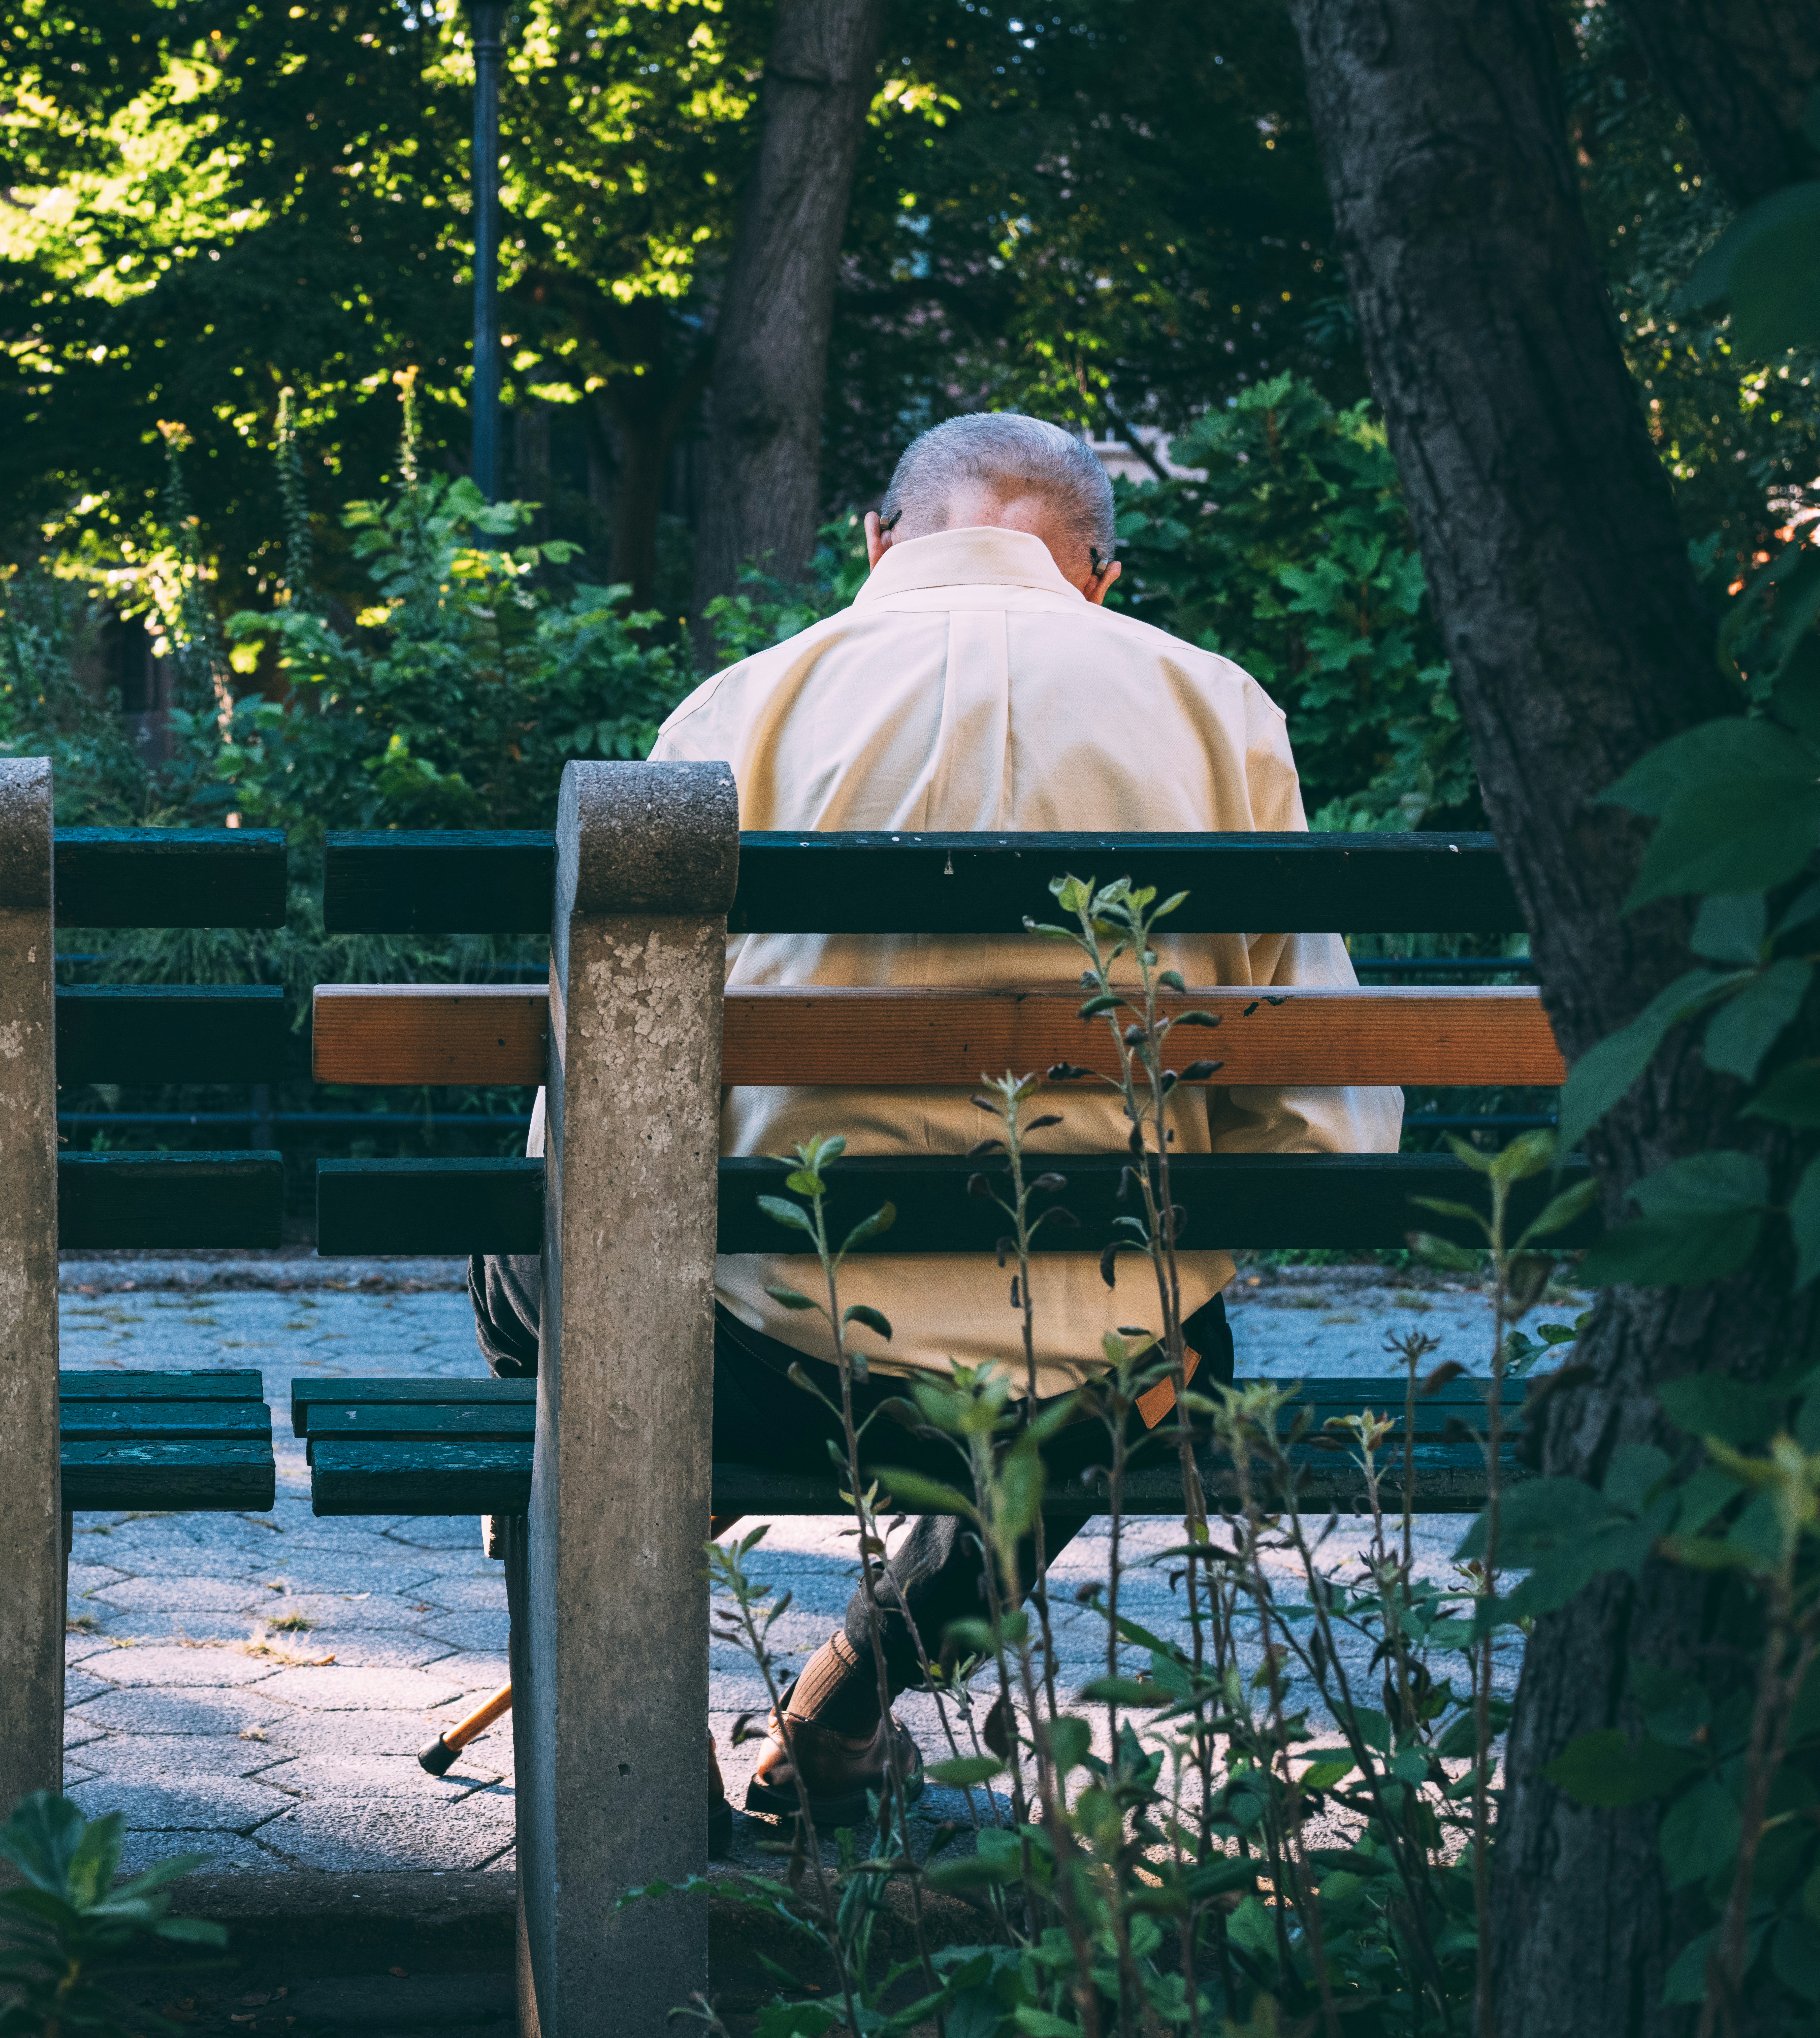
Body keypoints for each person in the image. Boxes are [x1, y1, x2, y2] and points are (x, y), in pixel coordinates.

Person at [469, 411, 1403, 1833]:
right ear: (1102, 573)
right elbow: (1325, 1121)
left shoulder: (742, 704)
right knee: (1164, 1358)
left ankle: (588, 1536)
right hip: (1083, 1379)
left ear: (876, 543)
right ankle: (842, 1716)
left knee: (534, 1244)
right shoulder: (1224, 712)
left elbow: (600, 1101)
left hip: (756, 1358)